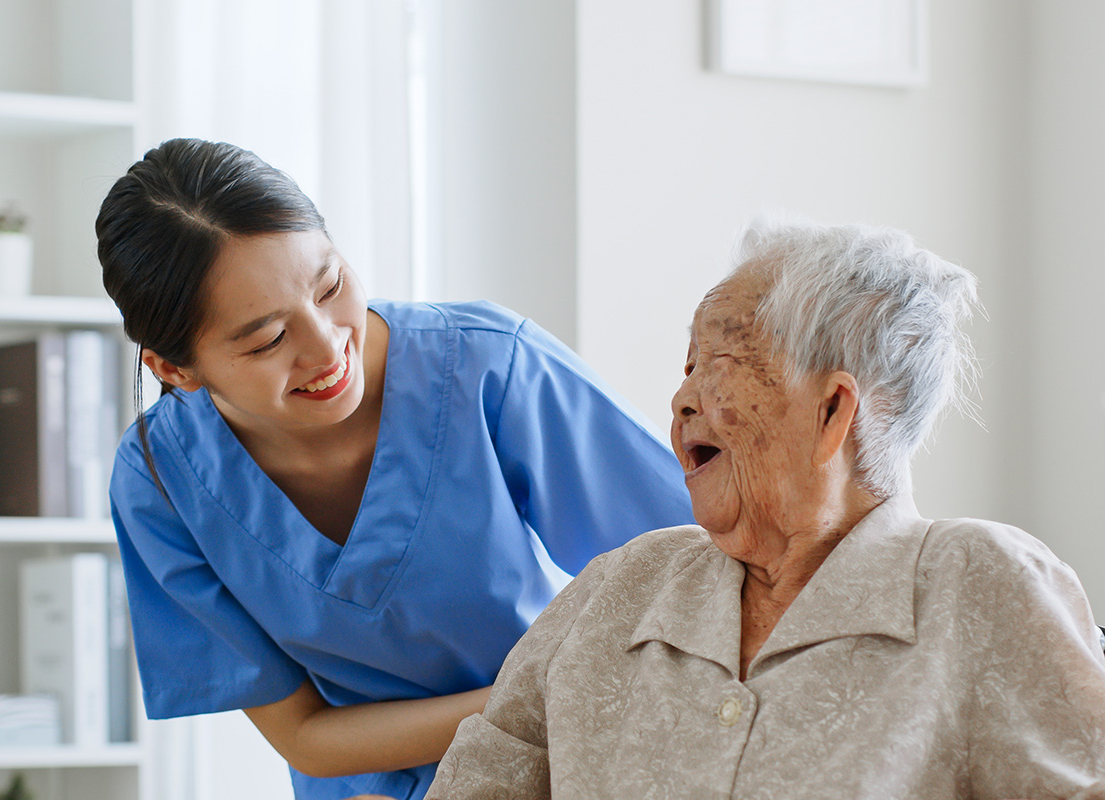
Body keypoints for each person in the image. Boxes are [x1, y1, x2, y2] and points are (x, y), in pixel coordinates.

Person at [94, 138, 694, 800]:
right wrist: (532, 698)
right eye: (267, 339)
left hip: (560, 755)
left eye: (331, 286)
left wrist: (546, 708)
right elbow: (307, 738)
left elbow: (700, 566)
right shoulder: (159, 481)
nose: (327, 347)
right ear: (175, 371)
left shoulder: (488, 366)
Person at [426, 218, 1105, 799]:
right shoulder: (619, 589)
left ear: (834, 410)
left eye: (718, 362)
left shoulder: (981, 586)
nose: (682, 399)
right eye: (686, 367)